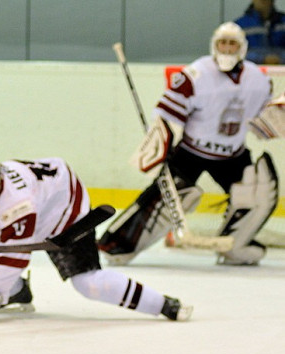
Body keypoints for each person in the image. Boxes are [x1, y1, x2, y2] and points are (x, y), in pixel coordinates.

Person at [99, 22, 278, 266]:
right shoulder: (195, 75)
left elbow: (264, 122)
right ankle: (117, 244)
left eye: (232, 44)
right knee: (164, 197)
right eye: (222, 43)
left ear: (242, 48)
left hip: (233, 155)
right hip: (191, 152)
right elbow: (166, 117)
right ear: (214, 46)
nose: (226, 48)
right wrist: (159, 146)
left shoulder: (258, 79)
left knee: (255, 193)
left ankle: (234, 245)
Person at [0, 150, 193, 324]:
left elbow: (15, 254)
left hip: (65, 207)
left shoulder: (16, 202)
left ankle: (163, 304)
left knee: (88, 283)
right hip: (39, 202)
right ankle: (17, 291)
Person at [235, 0, 285, 65]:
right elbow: (235, 53)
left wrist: (280, 58)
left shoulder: (283, 22)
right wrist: (262, 59)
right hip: (251, 72)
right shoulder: (239, 26)